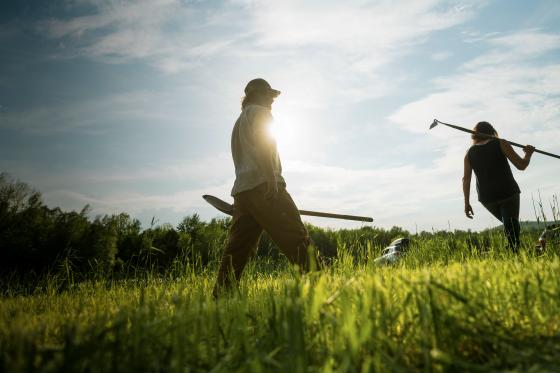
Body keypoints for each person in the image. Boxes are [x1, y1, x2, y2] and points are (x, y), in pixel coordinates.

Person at [213, 78, 314, 296]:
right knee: (297, 239)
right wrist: (269, 177)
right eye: (270, 96)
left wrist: (247, 201)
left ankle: (219, 299)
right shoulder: (261, 113)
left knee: (236, 252)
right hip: (266, 187)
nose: (271, 102)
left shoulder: (239, 122)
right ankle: (323, 291)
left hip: (243, 193)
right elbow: (263, 142)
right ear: (260, 95)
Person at [462, 121, 535, 251]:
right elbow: (521, 165)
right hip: (507, 193)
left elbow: (466, 180)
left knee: (510, 227)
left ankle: (521, 252)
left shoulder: (469, 154)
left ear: (475, 135)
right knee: (511, 227)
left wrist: (466, 203)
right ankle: (518, 253)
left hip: (487, 199)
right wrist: (528, 153)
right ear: (491, 131)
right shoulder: (501, 143)